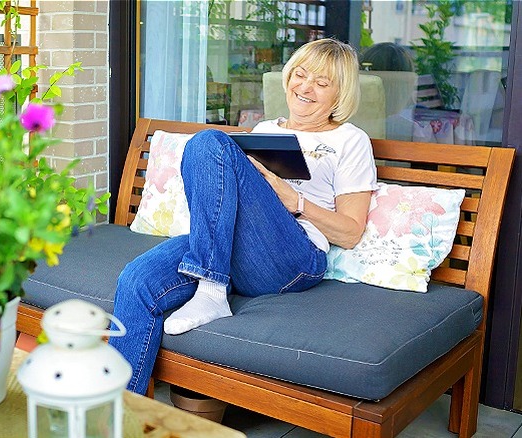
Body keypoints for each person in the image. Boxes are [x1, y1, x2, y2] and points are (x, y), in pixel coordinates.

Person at [109, 38, 378, 395]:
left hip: (294, 256)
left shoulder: (350, 140)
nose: (305, 87)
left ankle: (211, 290)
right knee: (137, 280)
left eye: (322, 83)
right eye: (300, 75)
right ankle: (114, 415)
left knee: (209, 141)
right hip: (232, 248)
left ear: (340, 94)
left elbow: (351, 233)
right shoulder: (265, 131)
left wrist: (293, 199)